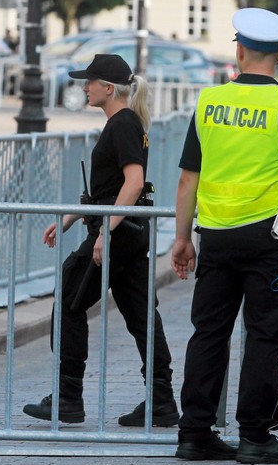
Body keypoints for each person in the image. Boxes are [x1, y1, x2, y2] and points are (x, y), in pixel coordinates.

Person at [171, 7, 278, 465]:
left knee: (208, 334)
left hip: (214, 236)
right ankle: (255, 435)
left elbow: (186, 179)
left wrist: (182, 239)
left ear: (238, 50)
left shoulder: (208, 102)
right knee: (263, 335)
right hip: (268, 241)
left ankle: (195, 432)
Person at [23, 54, 178, 428]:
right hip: (128, 232)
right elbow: (112, 188)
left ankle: (67, 397)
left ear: (108, 88)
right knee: (141, 315)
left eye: (89, 82)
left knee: (70, 301)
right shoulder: (126, 122)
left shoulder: (122, 123)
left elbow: (134, 182)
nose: (84, 88)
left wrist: (105, 231)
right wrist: (71, 217)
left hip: (118, 233)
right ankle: (162, 400)